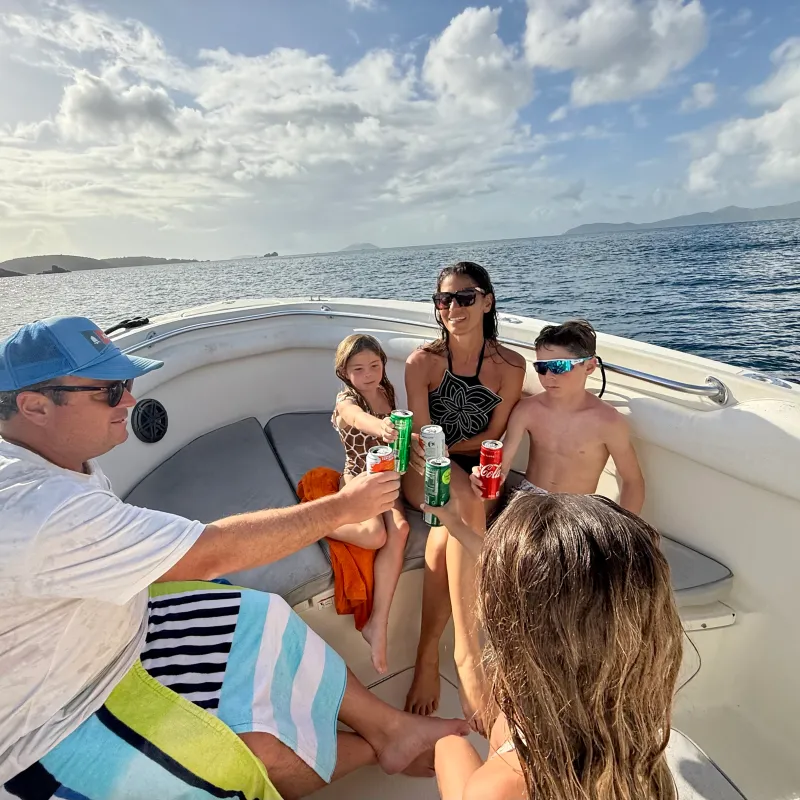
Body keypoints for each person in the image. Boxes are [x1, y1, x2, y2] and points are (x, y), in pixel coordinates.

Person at [0, 317, 468, 800]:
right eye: (110, 389)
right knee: (244, 752)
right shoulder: (32, 507)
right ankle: (383, 747)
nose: (130, 400)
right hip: (54, 713)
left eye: (128, 383)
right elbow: (210, 554)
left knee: (262, 615)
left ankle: (390, 727)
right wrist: (342, 508)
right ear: (35, 405)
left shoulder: (55, 456)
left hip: (112, 629)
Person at [430, 491, 684, 800]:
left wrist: (446, 747)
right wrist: (455, 524)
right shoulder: (639, 749)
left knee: (450, 747)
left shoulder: (498, 788)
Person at [402, 262, 526, 729]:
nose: (453, 307)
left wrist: (464, 462)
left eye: (465, 297)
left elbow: (494, 436)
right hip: (424, 468)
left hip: (474, 470)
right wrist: (454, 461)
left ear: (488, 301)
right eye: (444, 300)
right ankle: (468, 655)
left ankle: (425, 656)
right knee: (467, 505)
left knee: (445, 534)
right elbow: (420, 439)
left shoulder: (512, 366)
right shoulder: (423, 363)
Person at [476, 319, 645, 515]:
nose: (548, 376)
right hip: (528, 498)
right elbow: (503, 462)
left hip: (577, 509)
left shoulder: (608, 421)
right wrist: (485, 479)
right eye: (541, 367)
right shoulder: (527, 409)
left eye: (559, 366)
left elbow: (633, 480)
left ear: (589, 367)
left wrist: (624, 528)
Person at [331, 334, 410, 675]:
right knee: (376, 536)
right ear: (345, 372)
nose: (368, 374)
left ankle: (378, 622)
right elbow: (357, 419)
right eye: (358, 369)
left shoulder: (386, 391)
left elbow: (397, 429)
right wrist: (381, 426)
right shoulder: (345, 400)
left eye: (375, 366)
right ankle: (317, 522)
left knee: (402, 529)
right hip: (359, 481)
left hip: (388, 478)